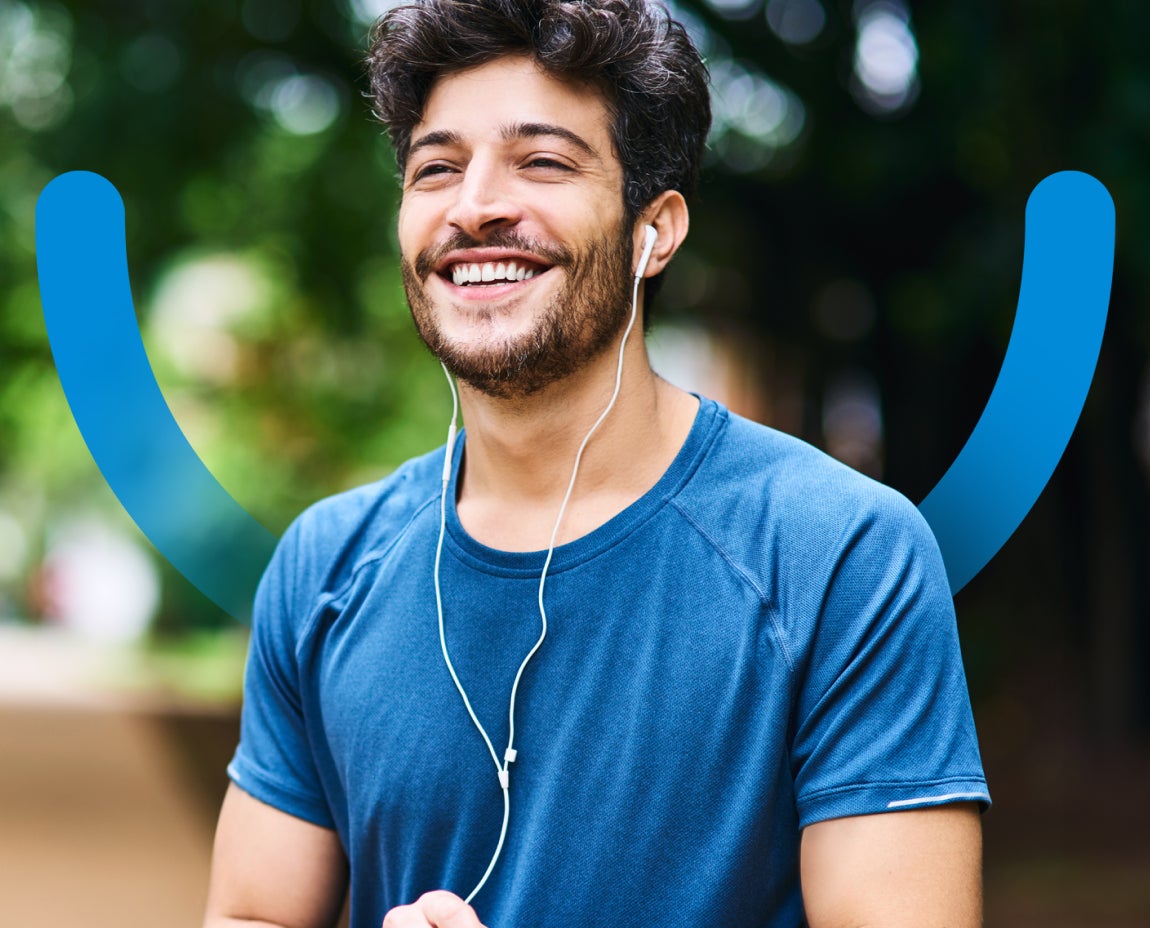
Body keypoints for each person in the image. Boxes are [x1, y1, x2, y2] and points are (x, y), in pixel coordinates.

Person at [203, 1, 990, 926]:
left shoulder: (840, 555)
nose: (475, 205)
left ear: (653, 230)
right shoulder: (326, 567)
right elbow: (251, 913)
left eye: (542, 161)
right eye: (436, 168)